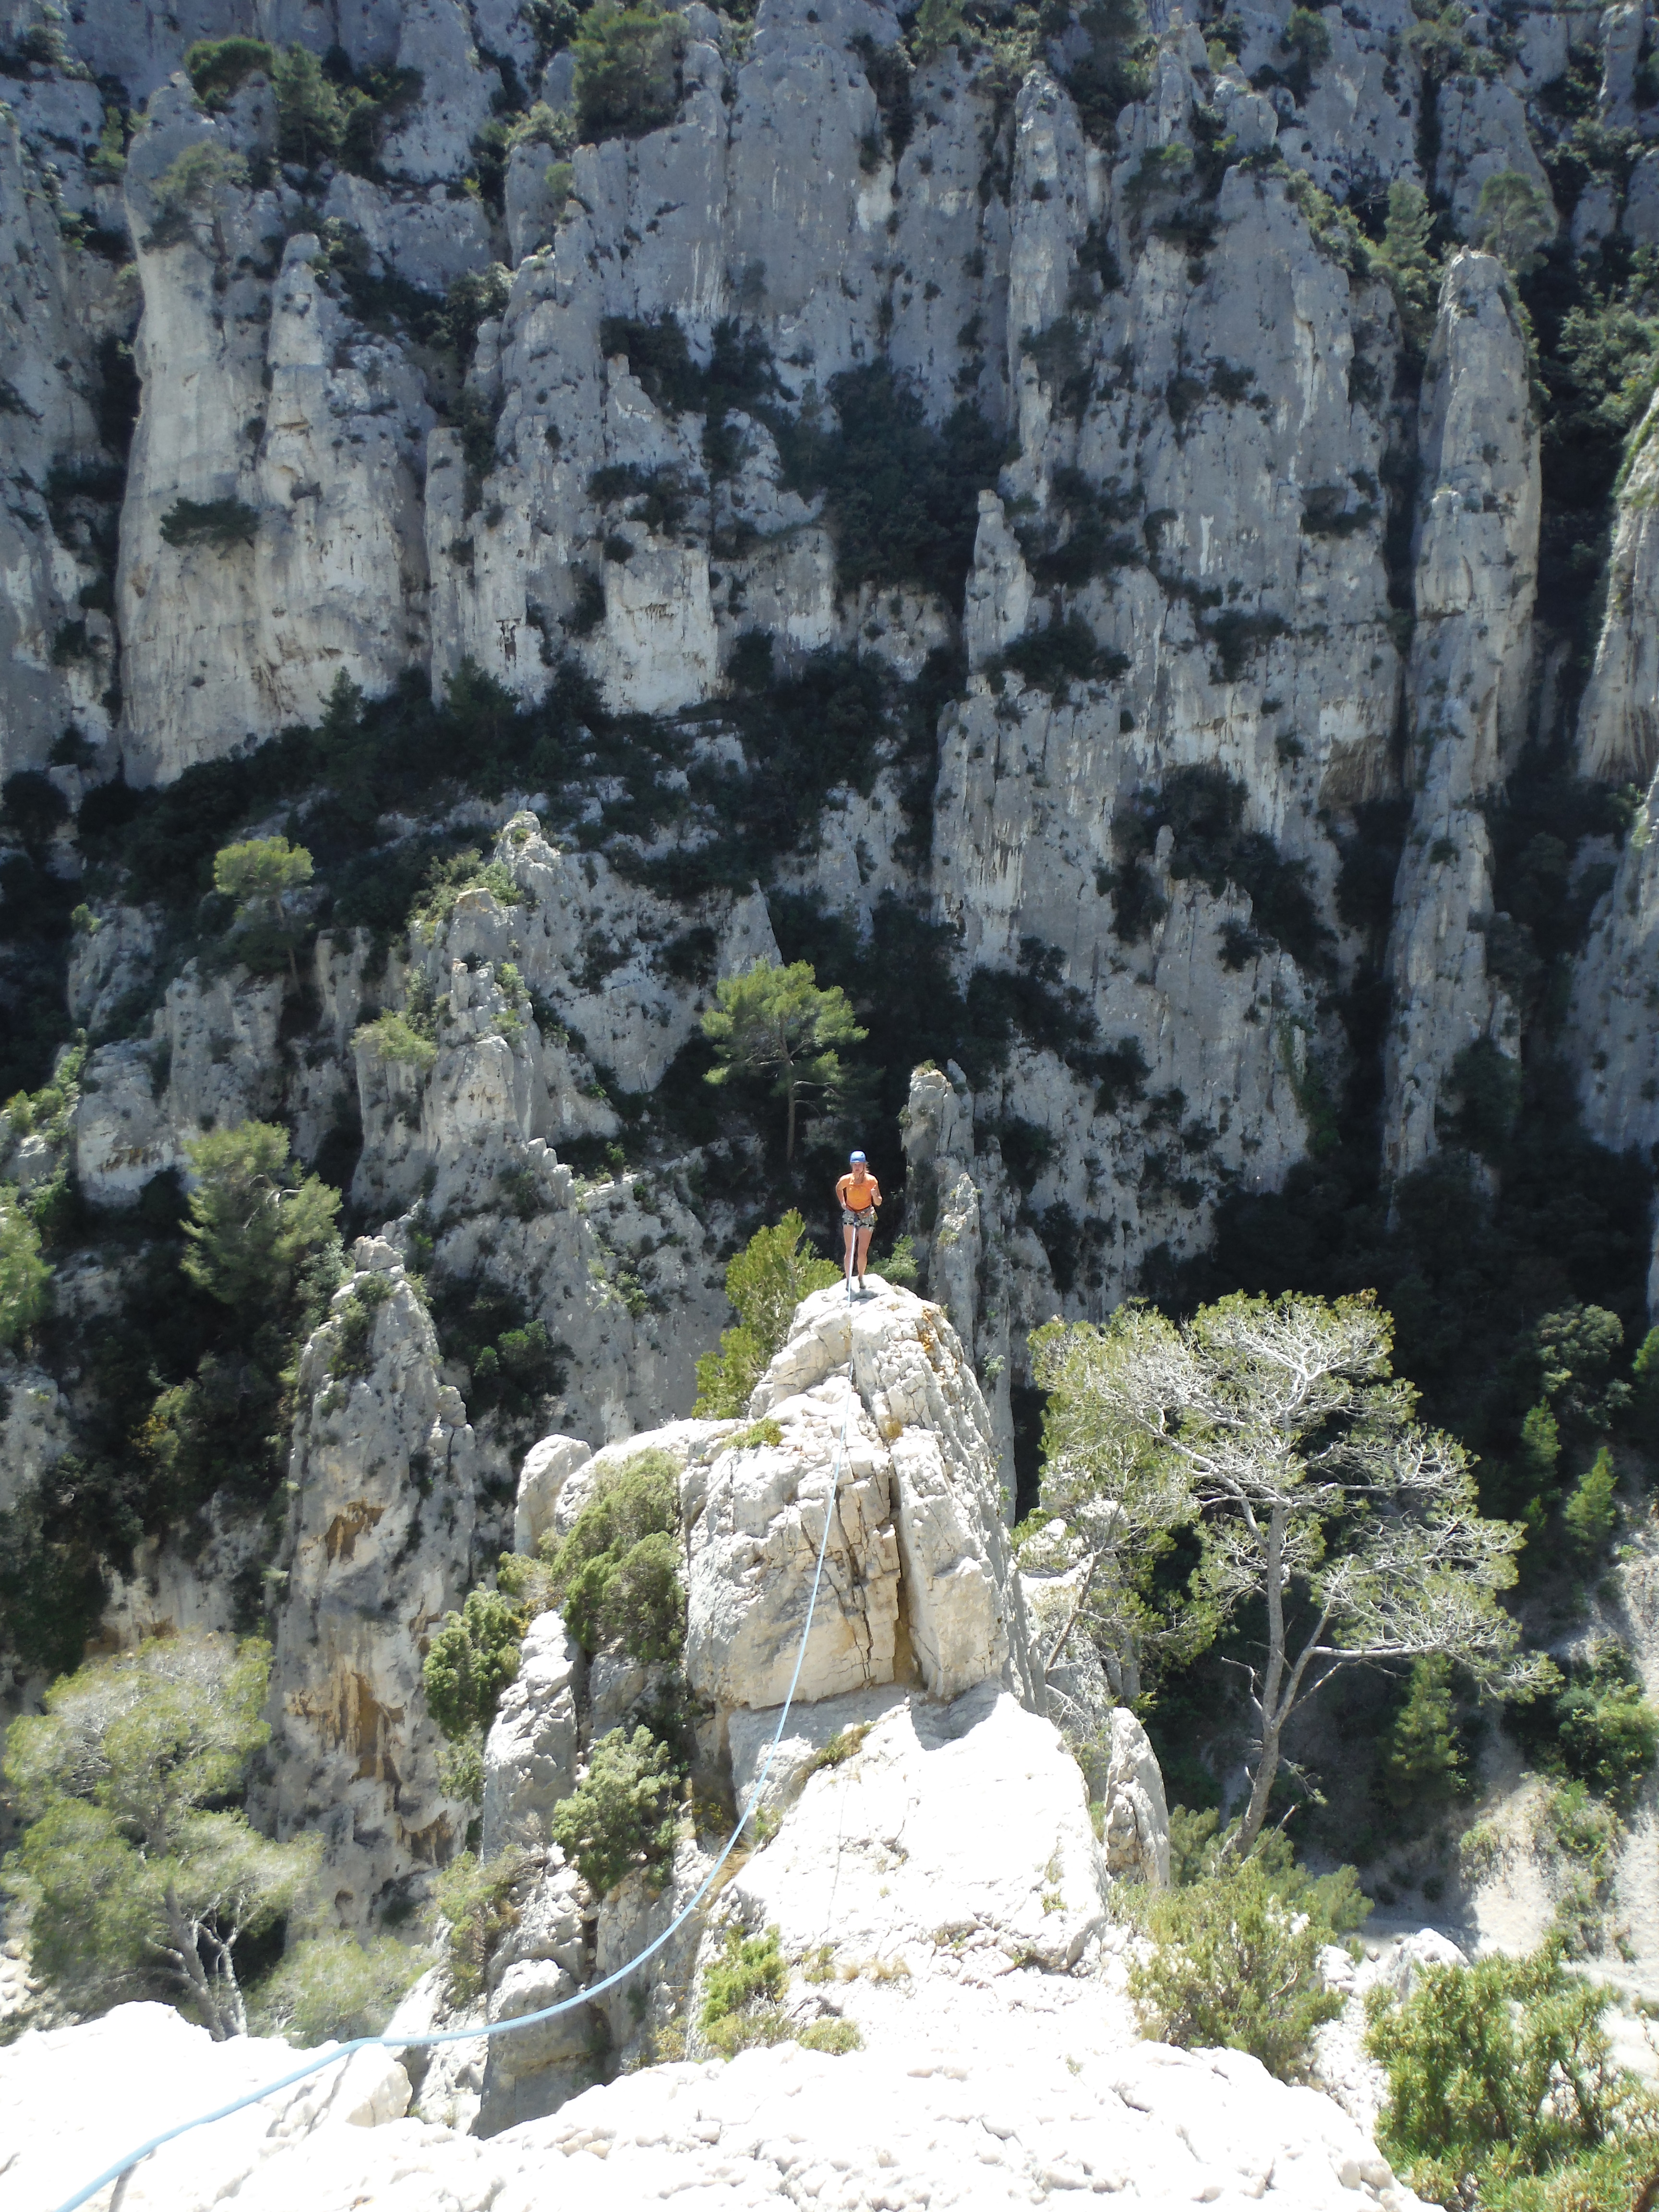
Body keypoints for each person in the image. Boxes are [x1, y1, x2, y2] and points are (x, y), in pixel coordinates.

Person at [835, 1150, 881, 1294]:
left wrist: (874, 1196)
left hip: (866, 1214)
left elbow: (879, 1202)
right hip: (850, 1214)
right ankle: (849, 1280)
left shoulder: (872, 1181)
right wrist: (843, 1202)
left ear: (864, 1166)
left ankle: (860, 1277)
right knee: (850, 1250)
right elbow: (838, 1188)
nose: (857, 1168)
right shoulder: (846, 1180)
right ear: (851, 1165)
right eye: (855, 1165)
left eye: (859, 1165)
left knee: (862, 1252)